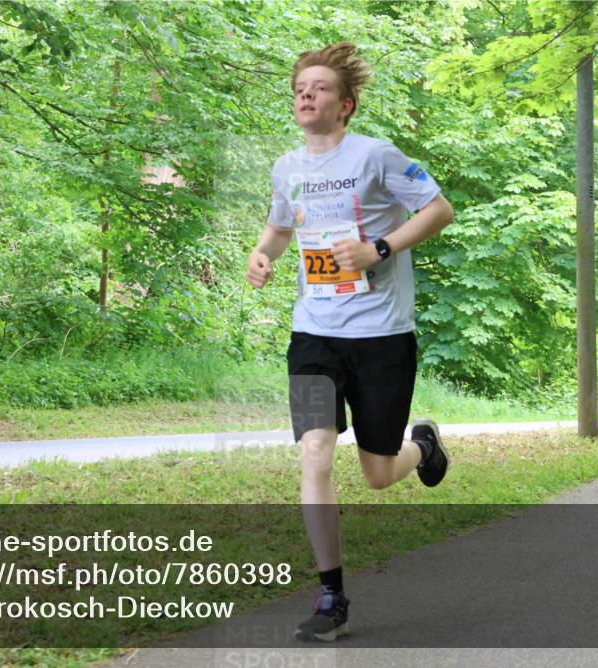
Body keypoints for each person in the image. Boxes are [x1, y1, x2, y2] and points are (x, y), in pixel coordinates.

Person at [245, 43, 455, 642]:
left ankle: (424, 446)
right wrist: (263, 255)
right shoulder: (287, 168)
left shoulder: (376, 156)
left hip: (382, 337)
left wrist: (380, 248)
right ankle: (331, 595)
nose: (305, 94)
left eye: (319, 87)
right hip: (314, 334)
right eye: (299, 88)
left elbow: (440, 210)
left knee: (379, 474)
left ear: (347, 104)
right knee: (315, 452)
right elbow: (282, 227)